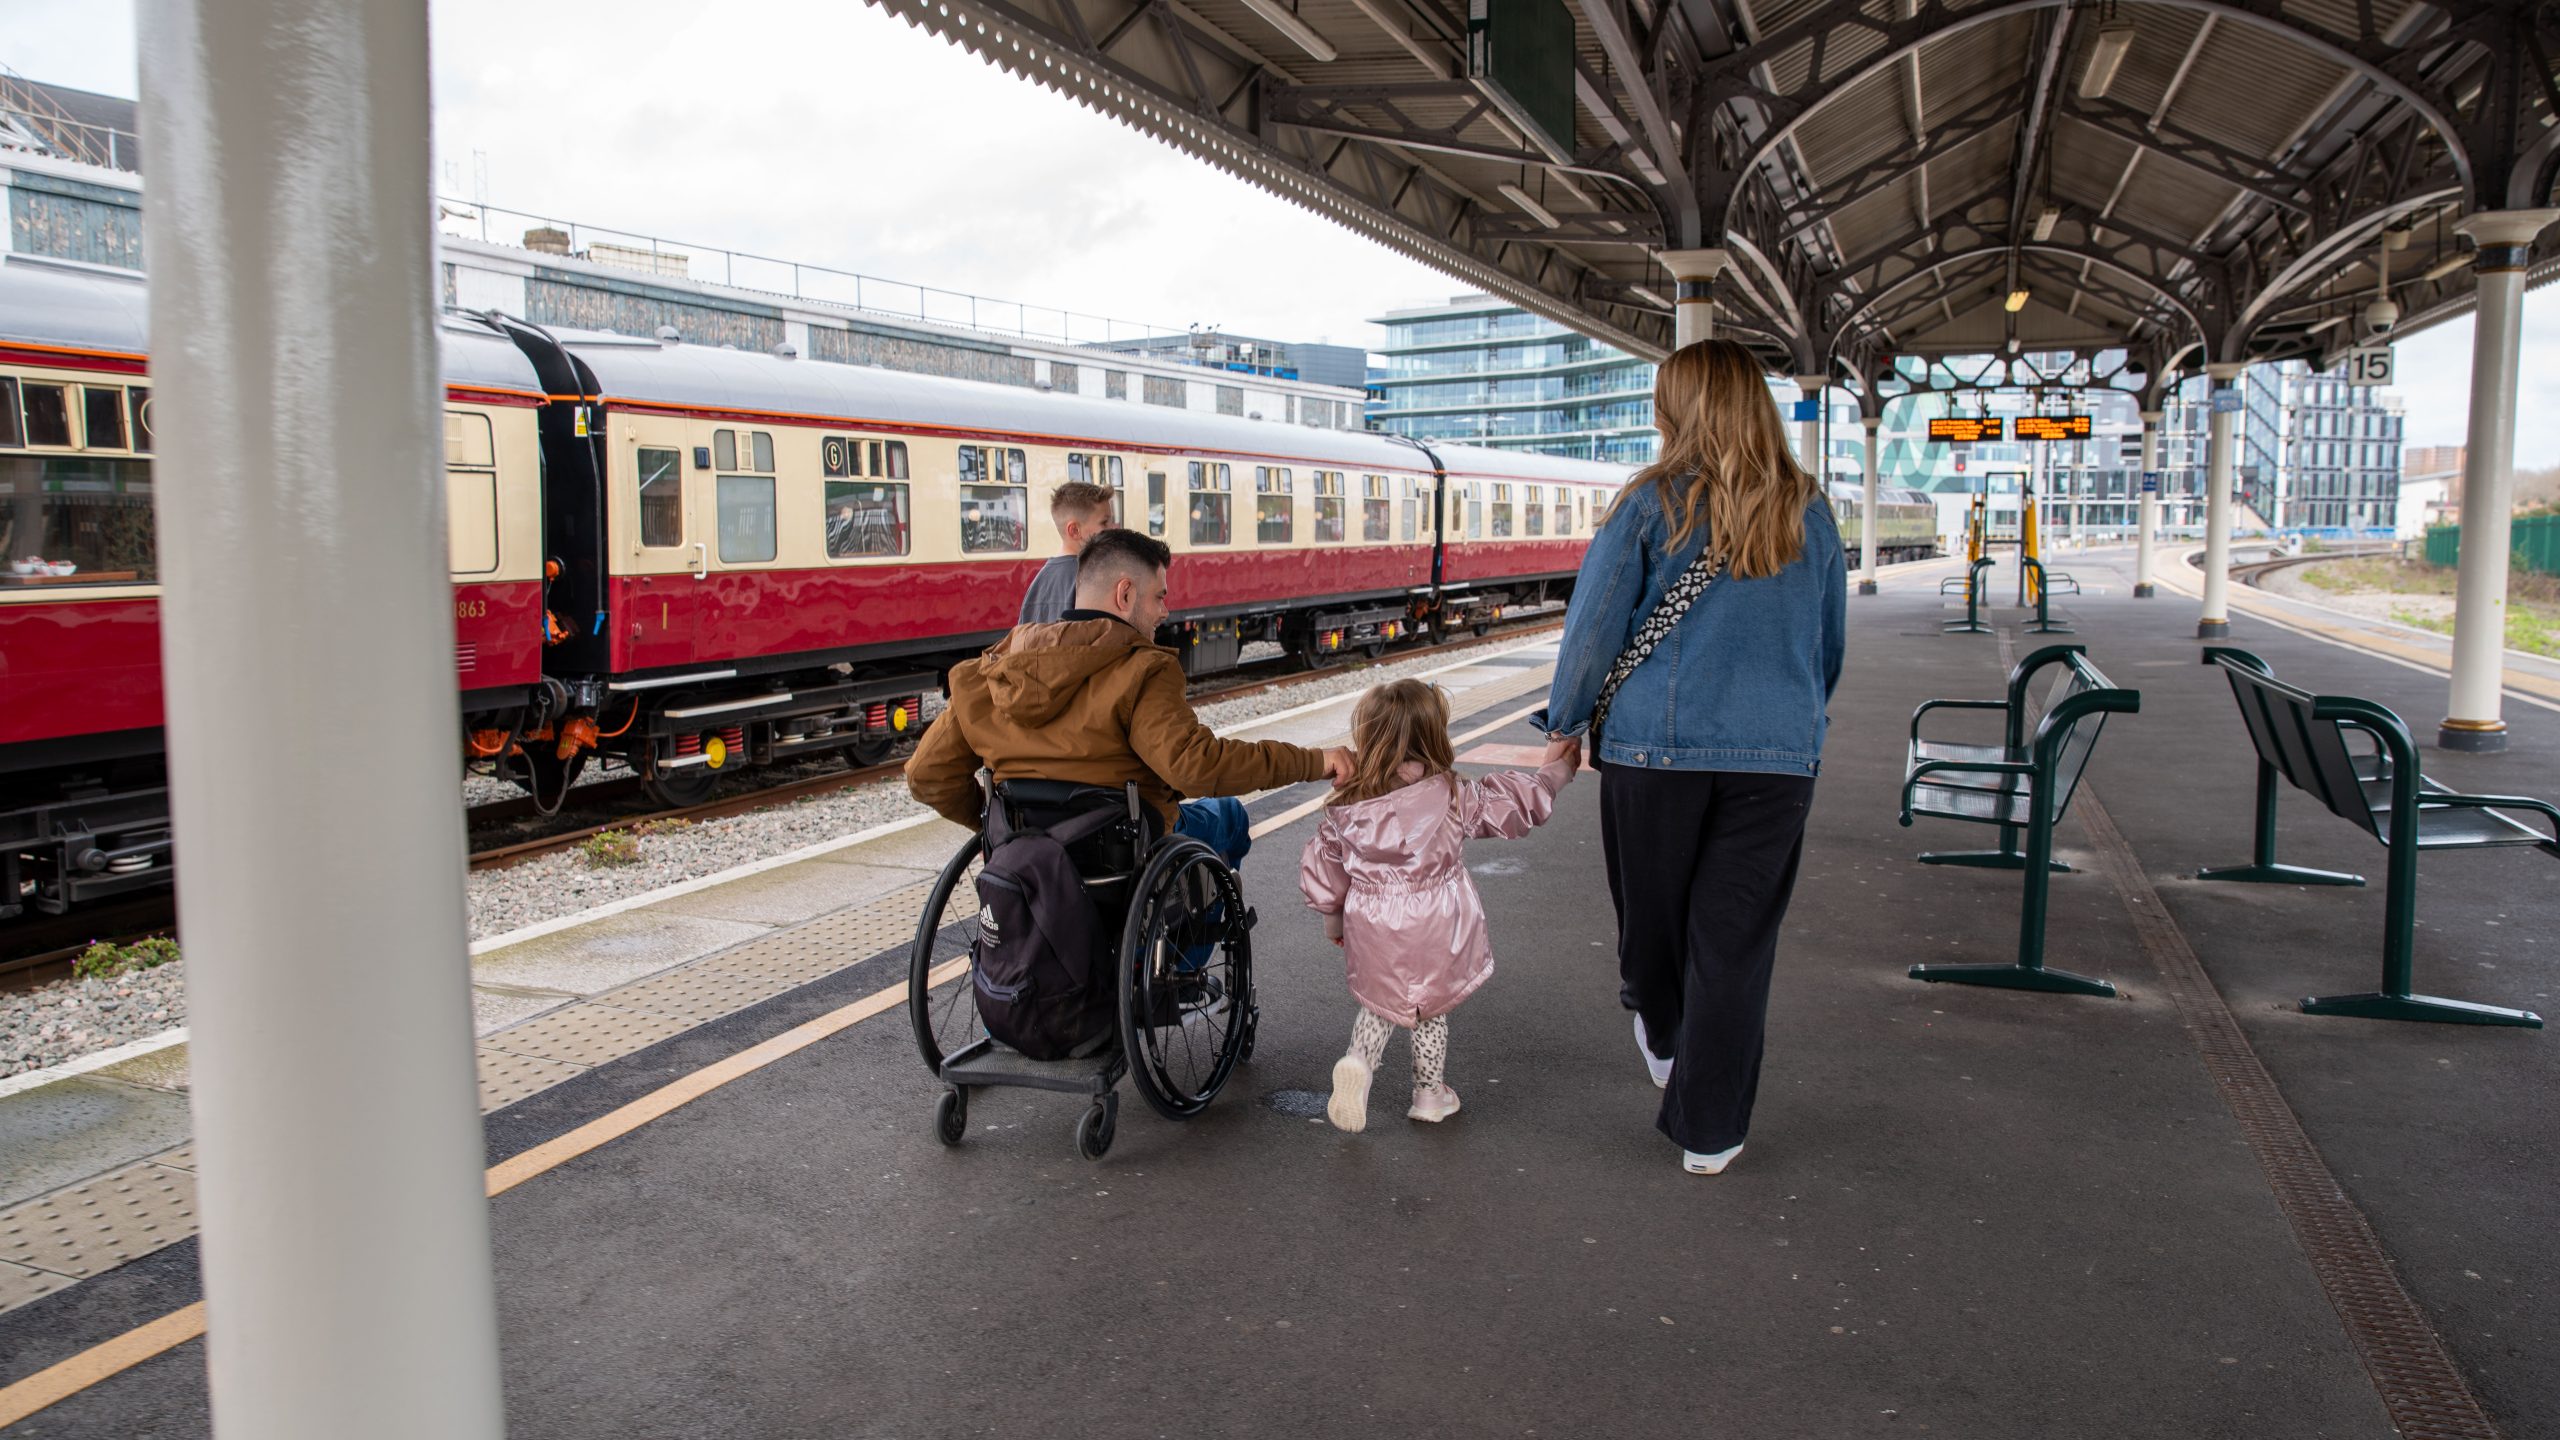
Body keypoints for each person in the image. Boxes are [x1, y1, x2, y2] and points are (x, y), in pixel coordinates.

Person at [1534, 338, 1847, 1177]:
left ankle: (1672, 1044)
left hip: (1654, 752)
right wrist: (1791, 721)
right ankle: (1711, 1127)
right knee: (1734, 941)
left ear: (1682, 408)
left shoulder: (1648, 504)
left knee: (1653, 925)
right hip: (1777, 760)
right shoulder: (1808, 511)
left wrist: (1565, 721)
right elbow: (1827, 648)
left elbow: (1594, 625)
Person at [909, 527, 1353, 872]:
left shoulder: (986, 674)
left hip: (1025, 857)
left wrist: (1003, 830)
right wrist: (1314, 761)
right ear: (1124, 594)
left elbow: (927, 776)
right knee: (1229, 816)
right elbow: (1198, 768)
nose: (1165, 611)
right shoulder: (1142, 669)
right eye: (1159, 596)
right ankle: (1189, 958)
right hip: (1125, 855)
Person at [1297, 679, 1581, 1133]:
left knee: (1380, 1002)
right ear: (1433, 735)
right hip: (1437, 919)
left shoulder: (1348, 803)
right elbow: (1511, 804)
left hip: (1373, 920)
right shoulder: (1451, 793)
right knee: (1429, 1007)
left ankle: (1358, 1062)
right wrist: (1557, 772)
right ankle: (1430, 1095)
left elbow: (1326, 866)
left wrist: (1333, 917)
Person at [1018, 481, 1117, 625]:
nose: (1112, 528)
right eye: (1104, 523)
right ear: (1074, 530)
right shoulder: (1090, 577)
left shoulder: (1040, 581)